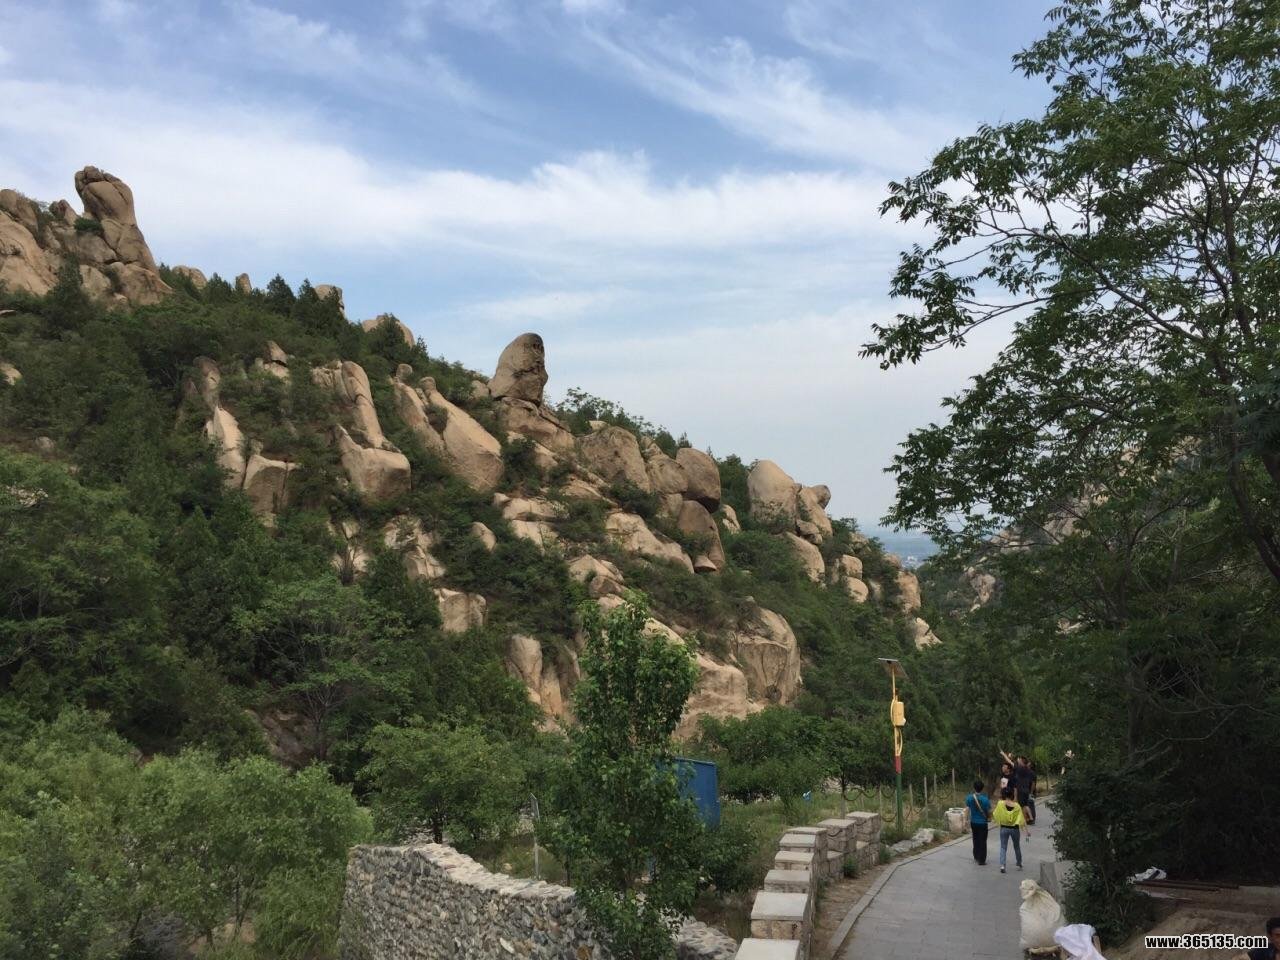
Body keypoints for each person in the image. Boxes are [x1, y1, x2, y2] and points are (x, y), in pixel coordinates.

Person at [992, 786, 1025, 873]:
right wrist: (1025, 830)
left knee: (1003, 847)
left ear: (1003, 794)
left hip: (1004, 828)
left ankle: (1002, 865)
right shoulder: (1017, 806)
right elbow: (1021, 818)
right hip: (1014, 829)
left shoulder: (1000, 804)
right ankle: (1019, 863)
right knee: (1016, 846)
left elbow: (995, 814)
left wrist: (998, 821)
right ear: (1012, 794)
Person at [965, 779, 991, 865]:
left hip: (973, 822)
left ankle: (976, 856)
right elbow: (988, 811)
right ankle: (982, 860)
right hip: (983, 823)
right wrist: (989, 817)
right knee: (982, 841)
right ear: (982, 788)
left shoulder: (969, 798)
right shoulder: (985, 799)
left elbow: (967, 809)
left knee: (975, 839)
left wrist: (966, 821)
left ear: (974, 787)